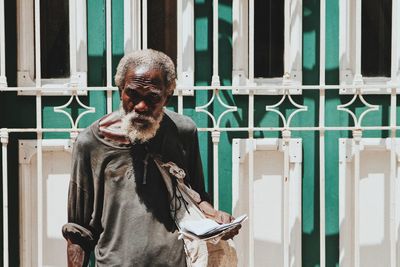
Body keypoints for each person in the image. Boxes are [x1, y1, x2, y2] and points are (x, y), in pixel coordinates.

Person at [62, 49, 239, 266]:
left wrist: (216, 219)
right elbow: (78, 231)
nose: (140, 107)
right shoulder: (91, 142)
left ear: (168, 95)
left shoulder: (183, 132)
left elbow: (196, 197)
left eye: (152, 97)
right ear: (120, 91)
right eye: (133, 95)